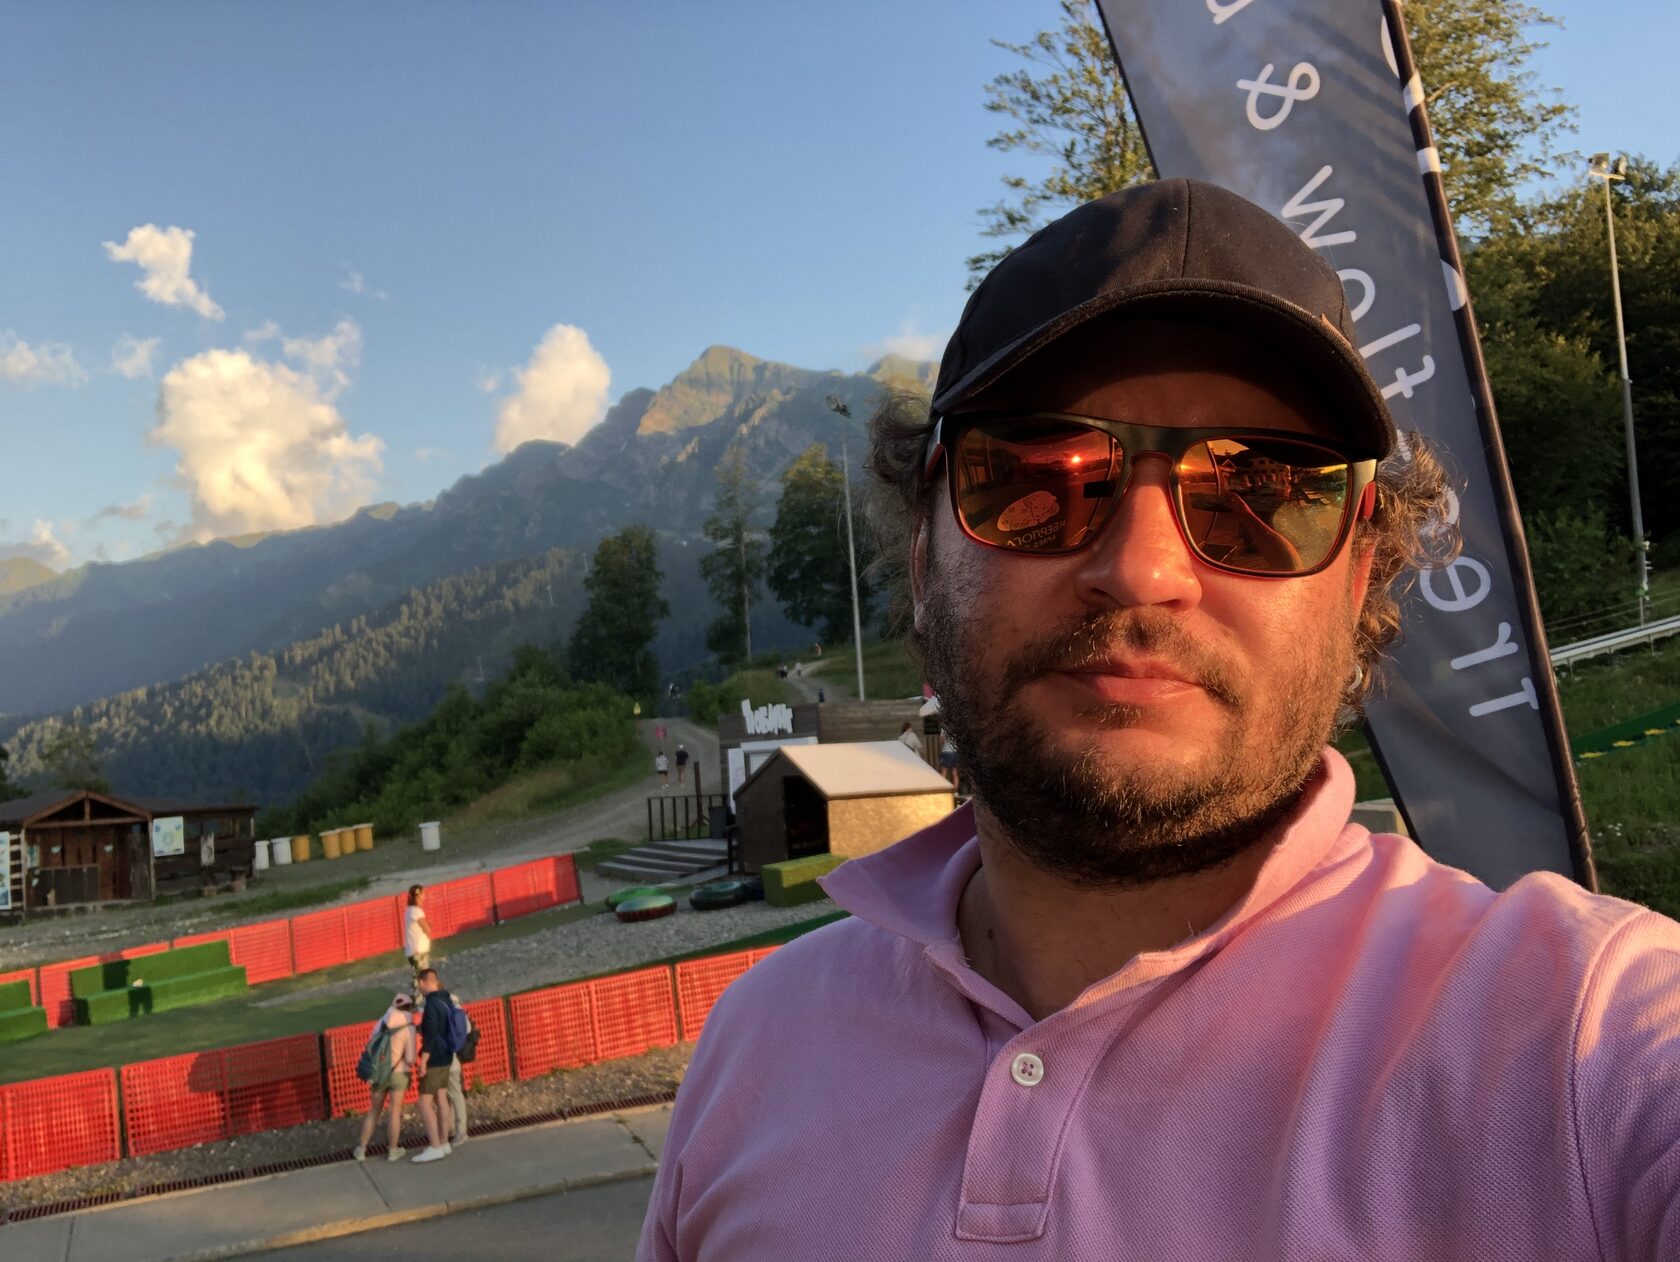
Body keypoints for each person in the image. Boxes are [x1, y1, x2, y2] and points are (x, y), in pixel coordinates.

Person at [638, 180, 1680, 1260]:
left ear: (1357, 575)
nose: (1140, 570)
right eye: (1037, 477)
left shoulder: (1591, 1043)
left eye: (1259, 493)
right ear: (923, 554)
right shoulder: (754, 1048)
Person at [353, 992, 416, 1162]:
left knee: (374, 1111)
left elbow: (371, 1046)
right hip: (399, 1073)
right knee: (394, 1112)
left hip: (380, 1072)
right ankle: (393, 1150)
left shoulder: (381, 1022)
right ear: (409, 1008)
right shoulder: (409, 1027)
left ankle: (361, 1149)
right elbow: (411, 1059)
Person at [410, 967, 455, 1163]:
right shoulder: (446, 998)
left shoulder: (431, 1004)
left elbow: (430, 1035)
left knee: (424, 1102)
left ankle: (435, 1146)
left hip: (434, 1058)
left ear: (422, 982)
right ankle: (444, 1142)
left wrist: (423, 1062)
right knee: (442, 1097)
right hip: (447, 1055)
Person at [446, 992, 472, 1148]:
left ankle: (459, 1131)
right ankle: (455, 1129)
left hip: (447, 1060)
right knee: (453, 1094)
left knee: (452, 1095)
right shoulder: (459, 1012)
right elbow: (467, 1030)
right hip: (455, 1058)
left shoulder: (445, 1013)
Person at [403, 884, 431, 999]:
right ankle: (417, 1001)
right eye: (423, 894)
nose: (425, 896)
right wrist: (429, 928)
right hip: (418, 950)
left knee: (418, 976)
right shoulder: (416, 911)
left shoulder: (409, 910)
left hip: (413, 950)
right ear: (418, 896)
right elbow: (426, 928)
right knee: (422, 978)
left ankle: (417, 999)